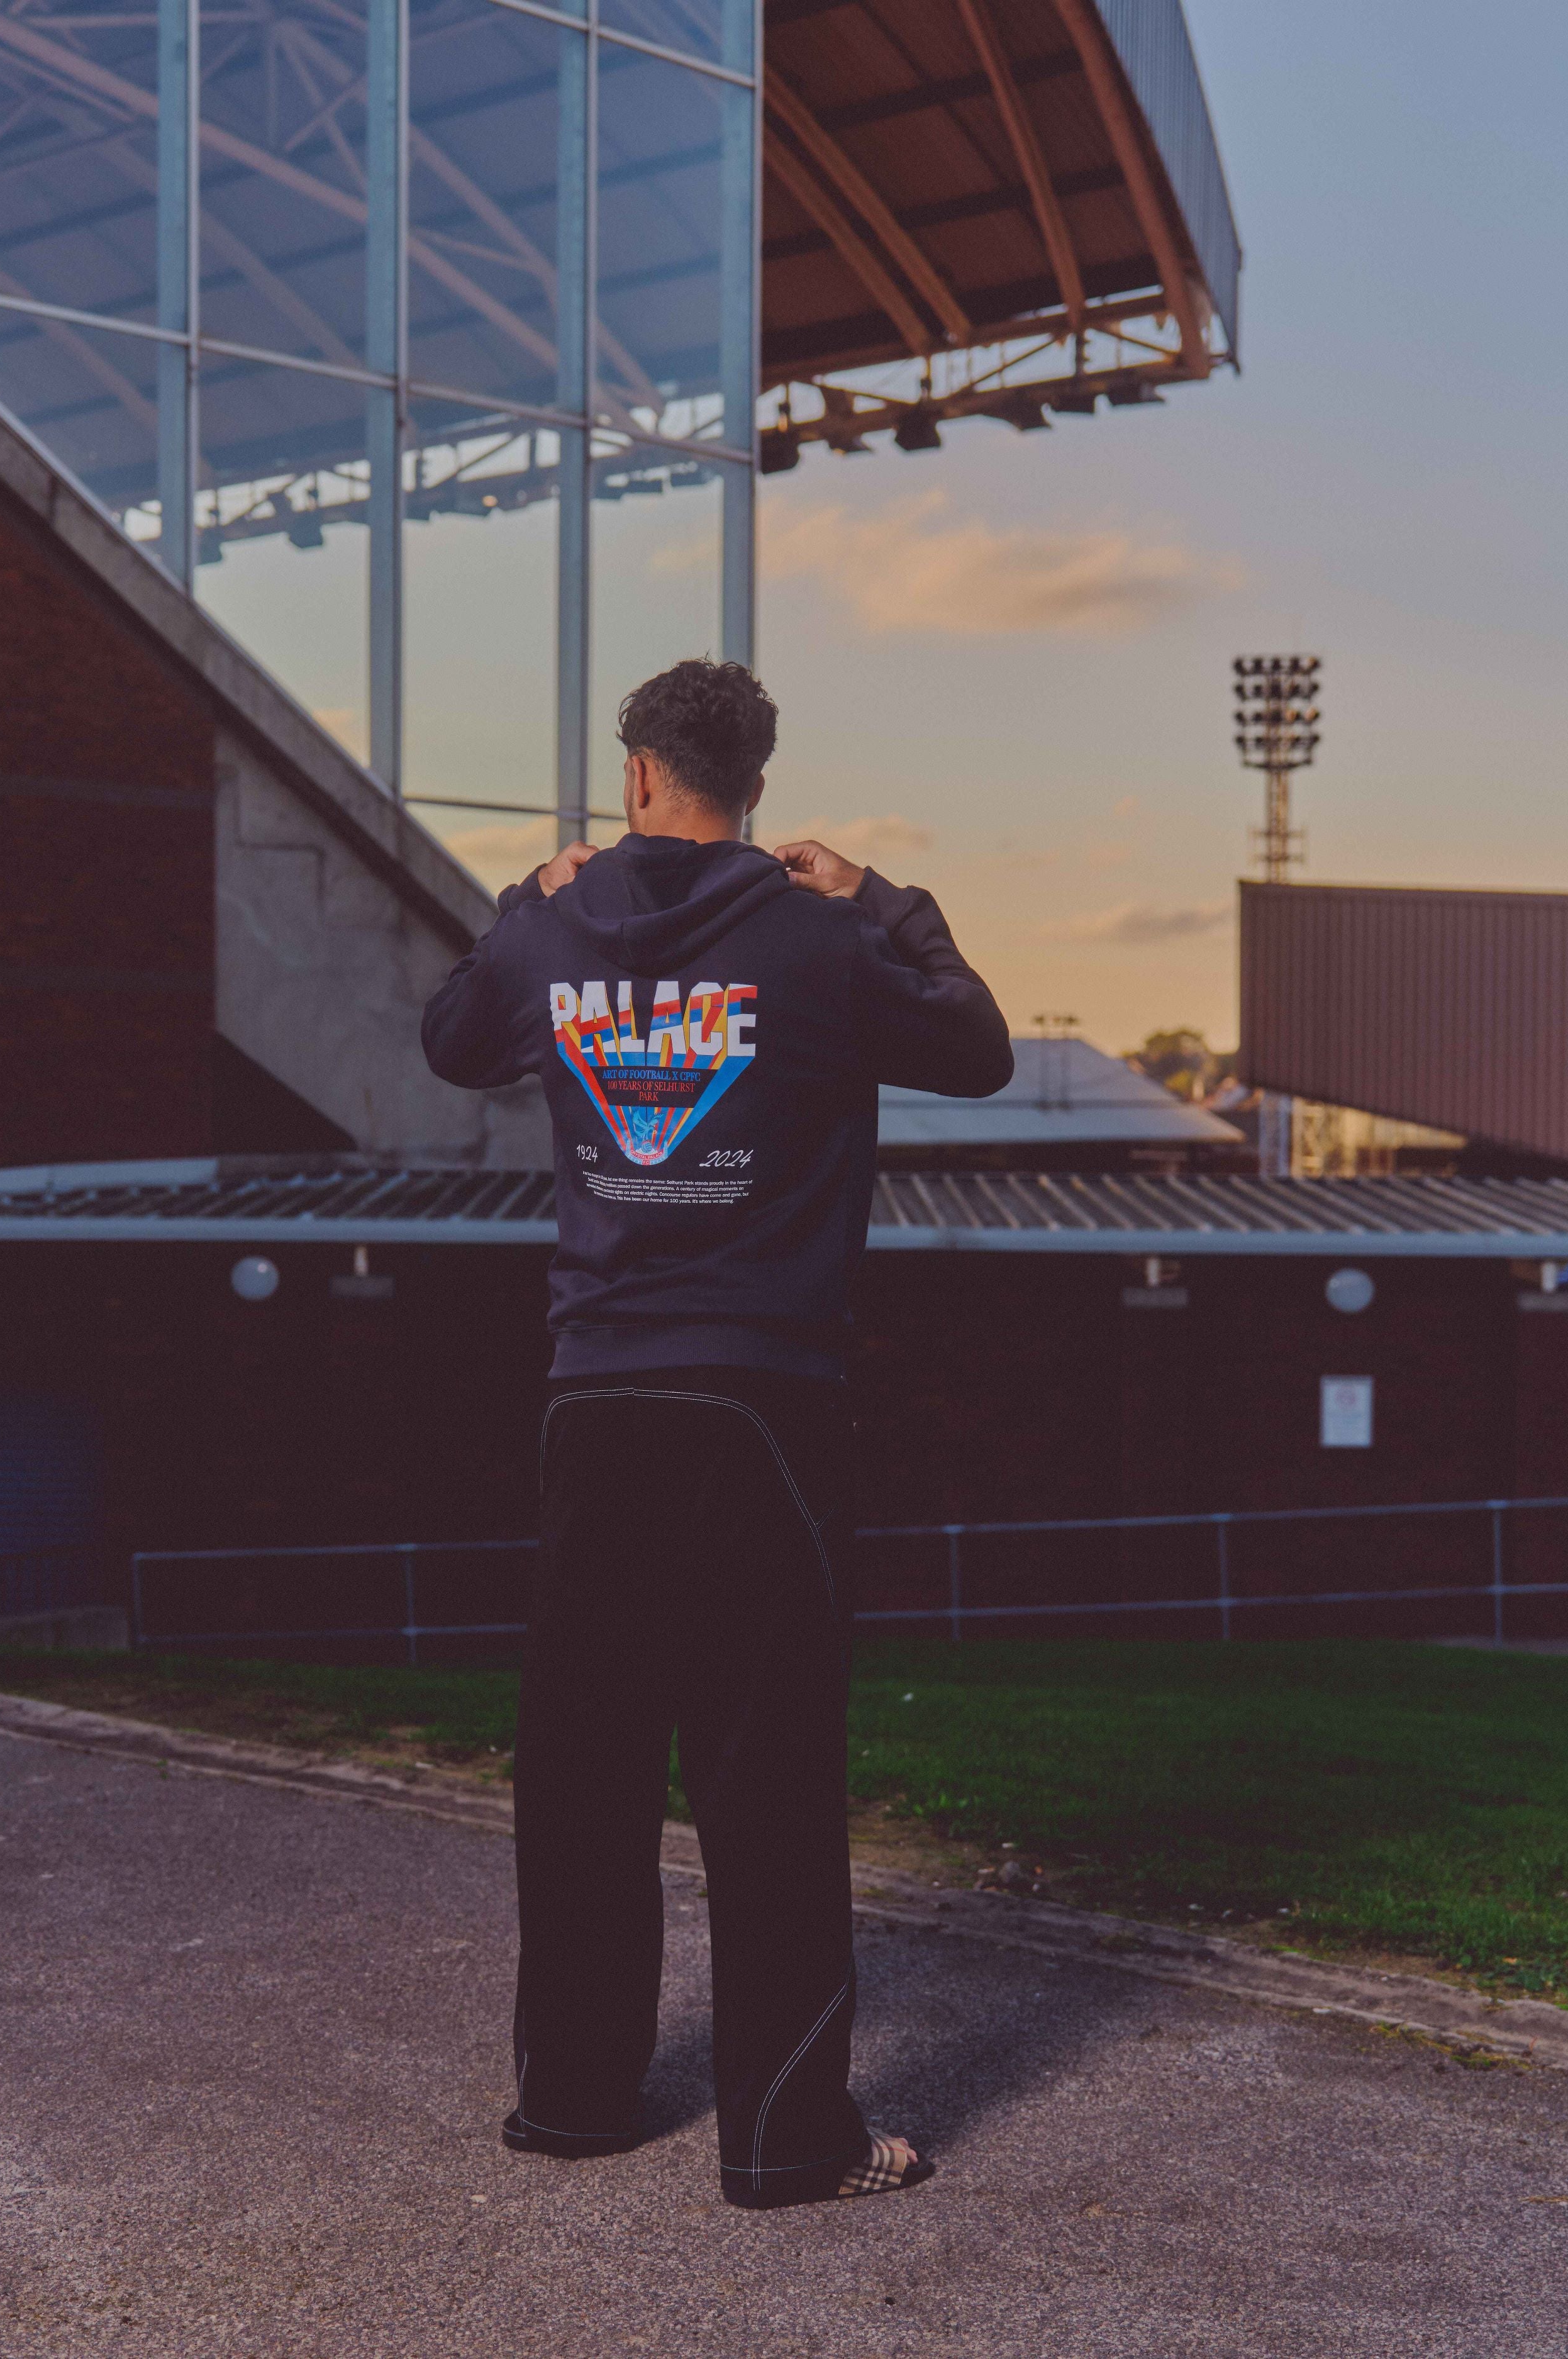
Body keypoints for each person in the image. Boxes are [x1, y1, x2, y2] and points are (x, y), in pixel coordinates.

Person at [421, 658, 1013, 2209]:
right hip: (765, 1403)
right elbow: (977, 1046)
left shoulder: (554, 924)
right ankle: (786, 2141)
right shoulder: (819, 940)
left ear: (633, 774)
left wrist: (524, 901)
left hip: (598, 1401)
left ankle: (574, 2101)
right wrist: (883, 896)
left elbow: (451, 1039)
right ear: (755, 781)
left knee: (583, 1765)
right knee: (767, 1776)